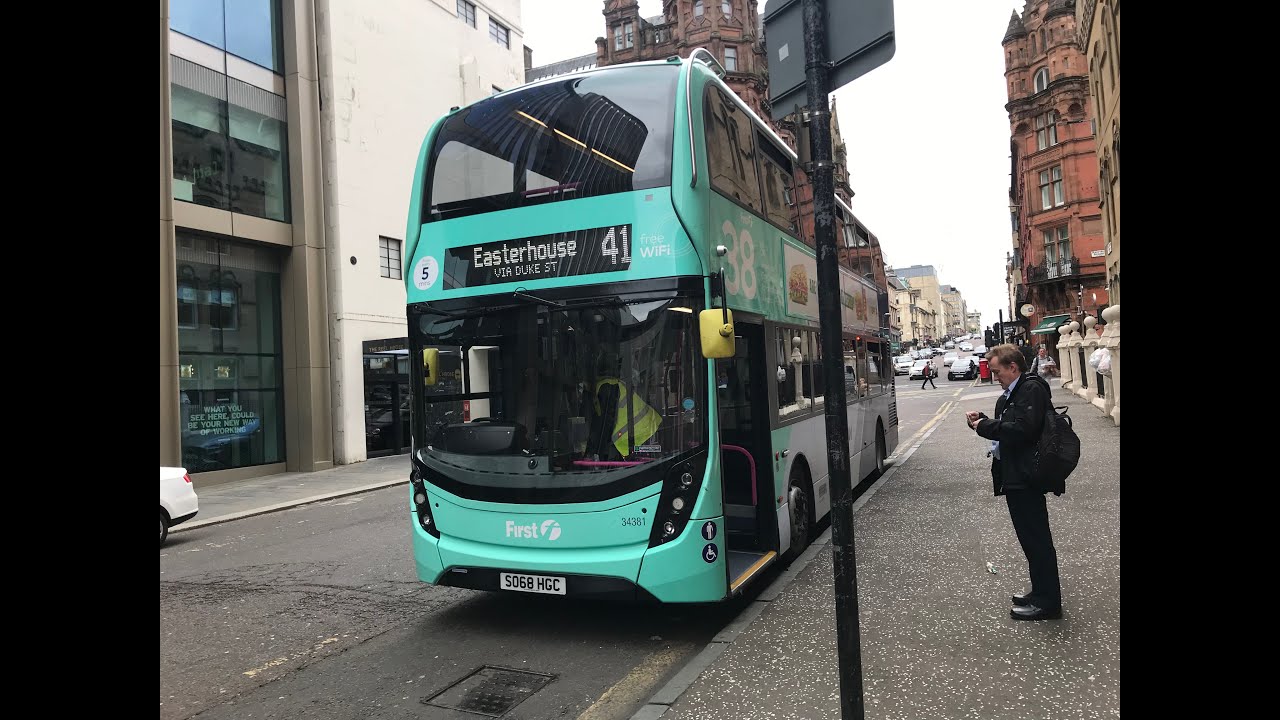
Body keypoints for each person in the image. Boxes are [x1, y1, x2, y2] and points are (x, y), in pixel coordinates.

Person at [964, 344, 1062, 621]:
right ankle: (1040, 592)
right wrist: (984, 421)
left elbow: (1023, 430)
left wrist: (985, 426)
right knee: (1030, 539)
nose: (996, 377)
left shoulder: (1030, 389)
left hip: (1026, 476)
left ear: (1013, 367)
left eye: (998, 372)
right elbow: (1014, 425)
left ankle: (1048, 603)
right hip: (1018, 475)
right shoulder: (1017, 391)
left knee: (1036, 540)